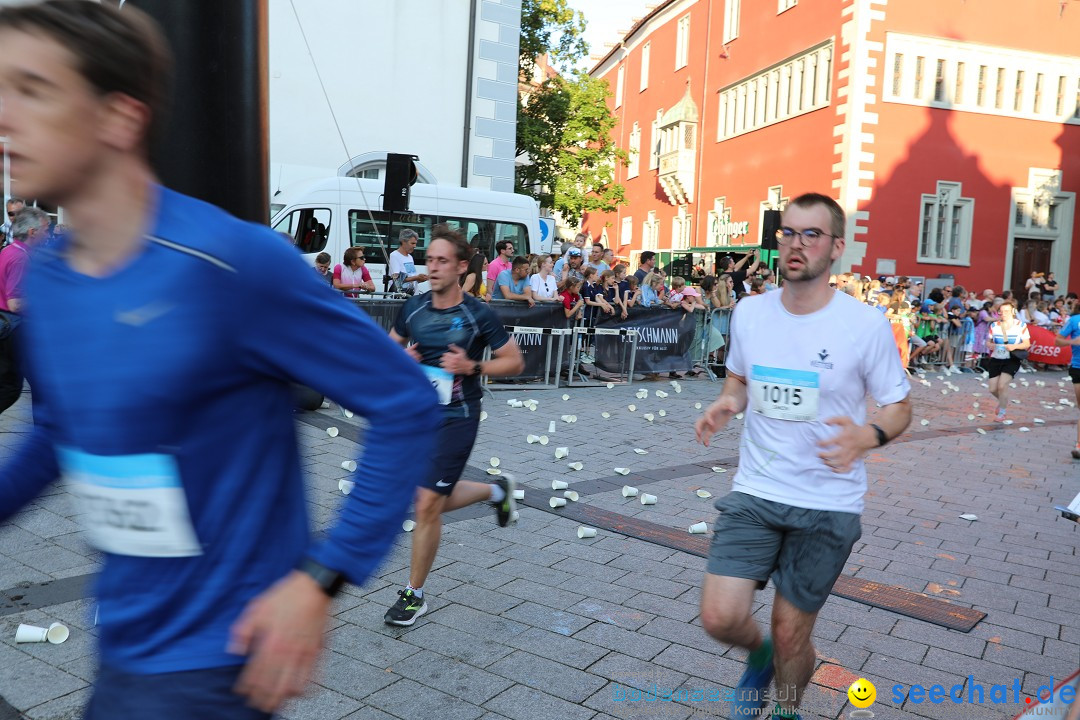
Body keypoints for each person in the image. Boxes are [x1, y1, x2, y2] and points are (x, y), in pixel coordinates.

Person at [0, 3, 443, 717]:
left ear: (118, 118)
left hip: (223, 666)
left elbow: (405, 401)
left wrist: (319, 580)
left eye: (32, 89)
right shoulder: (48, 279)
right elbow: (59, 433)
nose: (4, 118)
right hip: (120, 649)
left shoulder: (231, 264)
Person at [694, 193, 911, 720]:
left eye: (810, 234)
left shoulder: (863, 325)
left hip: (828, 503)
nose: (796, 243)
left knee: (792, 632)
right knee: (720, 618)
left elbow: (899, 407)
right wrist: (728, 402)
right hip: (757, 489)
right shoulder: (750, 312)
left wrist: (868, 436)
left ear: (836, 247)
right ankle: (759, 656)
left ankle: (787, 710)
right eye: (788, 232)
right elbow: (740, 380)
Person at [384, 224, 523, 626]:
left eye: (442, 260)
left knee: (426, 504)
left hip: (458, 416)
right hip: (418, 414)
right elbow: (385, 349)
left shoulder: (478, 313)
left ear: (462, 266)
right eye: (429, 259)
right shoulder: (414, 308)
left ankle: (415, 594)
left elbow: (513, 362)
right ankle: (497, 489)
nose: (433, 267)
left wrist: (472, 365)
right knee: (428, 500)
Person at [0, 207, 48, 414]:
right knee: (13, 387)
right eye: (45, 229)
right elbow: (15, 303)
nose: (48, 234)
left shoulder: (9, 250)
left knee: (11, 384)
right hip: (15, 328)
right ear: (32, 232)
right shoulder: (20, 257)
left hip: (8, 326)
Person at [987, 302, 1031, 422]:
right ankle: (1003, 401)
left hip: (1011, 359)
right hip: (996, 359)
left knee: (1002, 385)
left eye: (1007, 311)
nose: (1004, 314)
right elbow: (989, 341)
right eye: (1001, 311)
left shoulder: (1020, 325)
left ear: (1012, 312)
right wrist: (990, 345)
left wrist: (1014, 346)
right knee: (992, 389)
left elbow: (1027, 344)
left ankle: (1002, 412)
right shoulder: (994, 326)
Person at [1056, 305, 1080, 459]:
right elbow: (1058, 341)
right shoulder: (1074, 320)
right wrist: (1073, 342)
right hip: (1078, 367)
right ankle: (1079, 445)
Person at [388, 229, 428, 294]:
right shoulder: (394, 255)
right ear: (403, 242)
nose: (414, 246)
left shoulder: (410, 257)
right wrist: (416, 277)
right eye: (412, 243)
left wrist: (420, 279)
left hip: (412, 295)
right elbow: (396, 279)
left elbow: (411, 277)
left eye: (415, 243)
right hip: (401, 296)